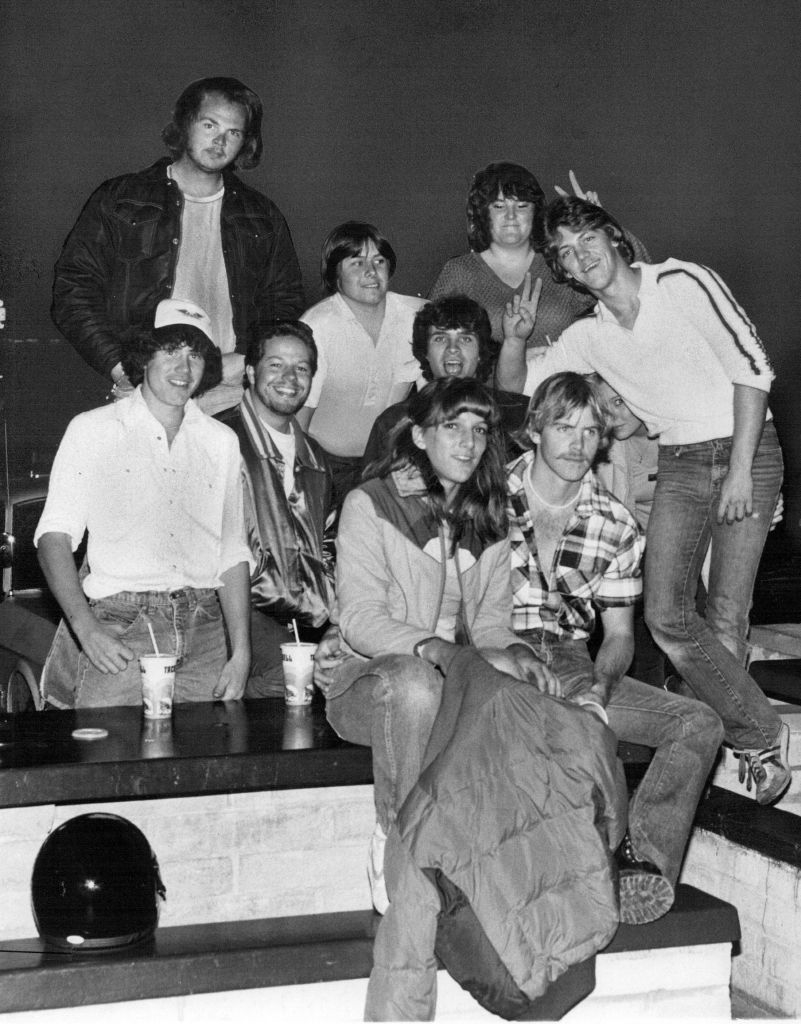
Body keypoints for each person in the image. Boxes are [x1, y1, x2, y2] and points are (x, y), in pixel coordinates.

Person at [505, 196, 789, 805]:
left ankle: (752, 755)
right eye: (568, 255)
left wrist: (741, 470)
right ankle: (759, 728)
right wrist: (516, 338)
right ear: (566, 273)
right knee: (666, 616)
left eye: (588, 241)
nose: (583, 258)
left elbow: (755, 366)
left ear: (614, 238)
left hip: (748, 448)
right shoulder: (587, 337)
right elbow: (518, 389)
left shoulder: (682, 280)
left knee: (728, 613)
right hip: (680, 462)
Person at [315, 378, 552, 910]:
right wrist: (435, 649)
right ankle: (393, 840)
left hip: (450, 681)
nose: (467, 443)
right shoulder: (371, 503)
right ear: (420, 437)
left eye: (479, 430)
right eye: (452, 427)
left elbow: (491, 625)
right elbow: (358, 618)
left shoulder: (488, 517)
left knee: (517, 687)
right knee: (416, 682)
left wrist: (520, 655)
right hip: (370, 685)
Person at [508, 371, 724, 923]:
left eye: (590, 432)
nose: (578, 445)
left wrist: (600, 691)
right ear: (534, 429)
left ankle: (639, 863)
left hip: (573, 660)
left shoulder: (618, 524)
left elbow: (621, 635)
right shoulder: (489, 496)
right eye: (564, 428)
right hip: (498, 651)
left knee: (698, 725)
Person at [35, 299, 253, 708]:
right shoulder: (93, 430)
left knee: (200, 766)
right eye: (170, 351)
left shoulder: (221, 441)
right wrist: (86, 629)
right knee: (109, 765)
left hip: (204, 629)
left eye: (195, 355)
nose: (184, 369)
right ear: (143, 356)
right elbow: (53, 538)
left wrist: (241, 652)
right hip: (120, 628)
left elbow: (232, 551)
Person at [52, 76, 304, 415]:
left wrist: (248, 359)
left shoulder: (262, 214)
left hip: (231, 401)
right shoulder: (121, 199)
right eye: (209, 124)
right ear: (185, 124)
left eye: (234, 132)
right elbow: (74, 291)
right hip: (145, 398)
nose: (219, 141)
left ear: (246, 142)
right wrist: (122, 367)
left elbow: (285, 302)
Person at [217, 321, 335, 697]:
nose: (289, 377)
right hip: (237, 614)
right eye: (275, 365)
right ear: (250, 372)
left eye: (301, 368)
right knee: (291, 678)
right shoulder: (218, 440)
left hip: (310, 617)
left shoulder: (316, 456)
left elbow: (330, 543)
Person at [429, 162, 648, 355]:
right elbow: (430, 345)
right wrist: (510, 362)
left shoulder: (561, 260)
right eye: (499, 206)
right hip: (488, 398)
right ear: (481, 214)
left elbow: (637, 277)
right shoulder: (458, 272)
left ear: (536, 213)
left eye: (522, 206)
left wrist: (599, 226)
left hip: (562, 393)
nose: (511, 216)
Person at [297, 221, 426, 507]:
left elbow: (435, 401)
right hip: (326, 468)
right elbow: (297, 424)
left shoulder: (417, 317)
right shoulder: (317, 327)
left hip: (390, 465)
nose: (371, 271)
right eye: (356, 263)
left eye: (379, 261)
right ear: (335, 275)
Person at [360, 294, 528, 468]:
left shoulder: (515, 418)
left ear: (480, 352)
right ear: (425, 352)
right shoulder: (395, 422)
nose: (453, 348)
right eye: (440, 338)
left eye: (465, 339)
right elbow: (370, 490)